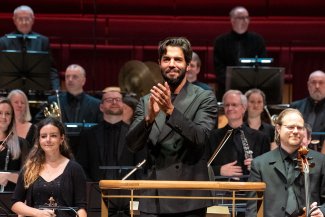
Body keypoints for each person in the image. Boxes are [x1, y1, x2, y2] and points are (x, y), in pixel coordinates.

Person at [126, 37, 218, 216]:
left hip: (189, 197)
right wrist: (149, 119)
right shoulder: (146, 100)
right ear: (159, 63)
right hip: (153, 196)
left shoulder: (204, 97)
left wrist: (170, 110)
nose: (172, 64)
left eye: (178, 59)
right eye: (167, 59)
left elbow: (201, 138)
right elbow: (132, 145)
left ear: (188, 65)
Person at [245, 108, 325, 217]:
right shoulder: (260, 164)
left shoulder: (320, 161)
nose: (296, 131)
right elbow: (253, 208)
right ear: (278, 128)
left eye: (300, 128)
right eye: (291, 127)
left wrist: (322, 211)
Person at [77, 86, 142, 217]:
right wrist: (93, 188)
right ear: (101, 107)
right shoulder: (88, 135)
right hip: (97, 195)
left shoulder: (135, 133)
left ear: (123, 106)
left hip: (129, 195)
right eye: (109, 100)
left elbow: (140, 166)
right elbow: (81, 166)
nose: (114, 102)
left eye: (118, 99)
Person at [11, 117, 87, 217]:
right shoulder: (29, 167)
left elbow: (81, 208)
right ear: (39, 140)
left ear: (62, 138)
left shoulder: (75, 169)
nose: (48, 140)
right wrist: (38, 213)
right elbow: (15, 203)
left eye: (53, 136)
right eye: (43, 136)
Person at [208, 90, 270, 179]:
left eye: (234, 105)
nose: (229, 108)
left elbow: (269, 170)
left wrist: (256, 167)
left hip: (250, 190)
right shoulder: (212, 136)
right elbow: (201, 168)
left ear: (244, 108)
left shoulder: (261, 138)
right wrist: (219, 170)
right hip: (220, 190)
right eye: (227, 105)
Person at [0, 5, 60, 90]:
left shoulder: (43, 41)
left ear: (33, 20)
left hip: (36, 90)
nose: (24, 22)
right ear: (14, 20)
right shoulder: (3, 41)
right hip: (10, 92)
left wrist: (56, 91)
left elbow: (51, 70)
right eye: (20, 19)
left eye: (27, 19)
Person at [213, 6, 266, 100]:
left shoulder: (258, 40)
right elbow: (219, 68)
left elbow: (262, 65)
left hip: (252, 89)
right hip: (227, 88)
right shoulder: (221, 41)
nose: (245, 20)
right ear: (232, 20)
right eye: (242, 18)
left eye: (247, 17)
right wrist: (232, 83)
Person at [290, 70, 325, 152]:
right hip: (297, 152)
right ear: (308, 85)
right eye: (313, 82)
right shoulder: (295, 107)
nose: (317, 86)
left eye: (321, 82)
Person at [0, 98, 29, 192]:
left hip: (11, 199)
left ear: (12, 118)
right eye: (0, 113)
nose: (3, 117)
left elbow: (28, 179)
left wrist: (8, 176)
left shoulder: (22, 144)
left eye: (7, 113)